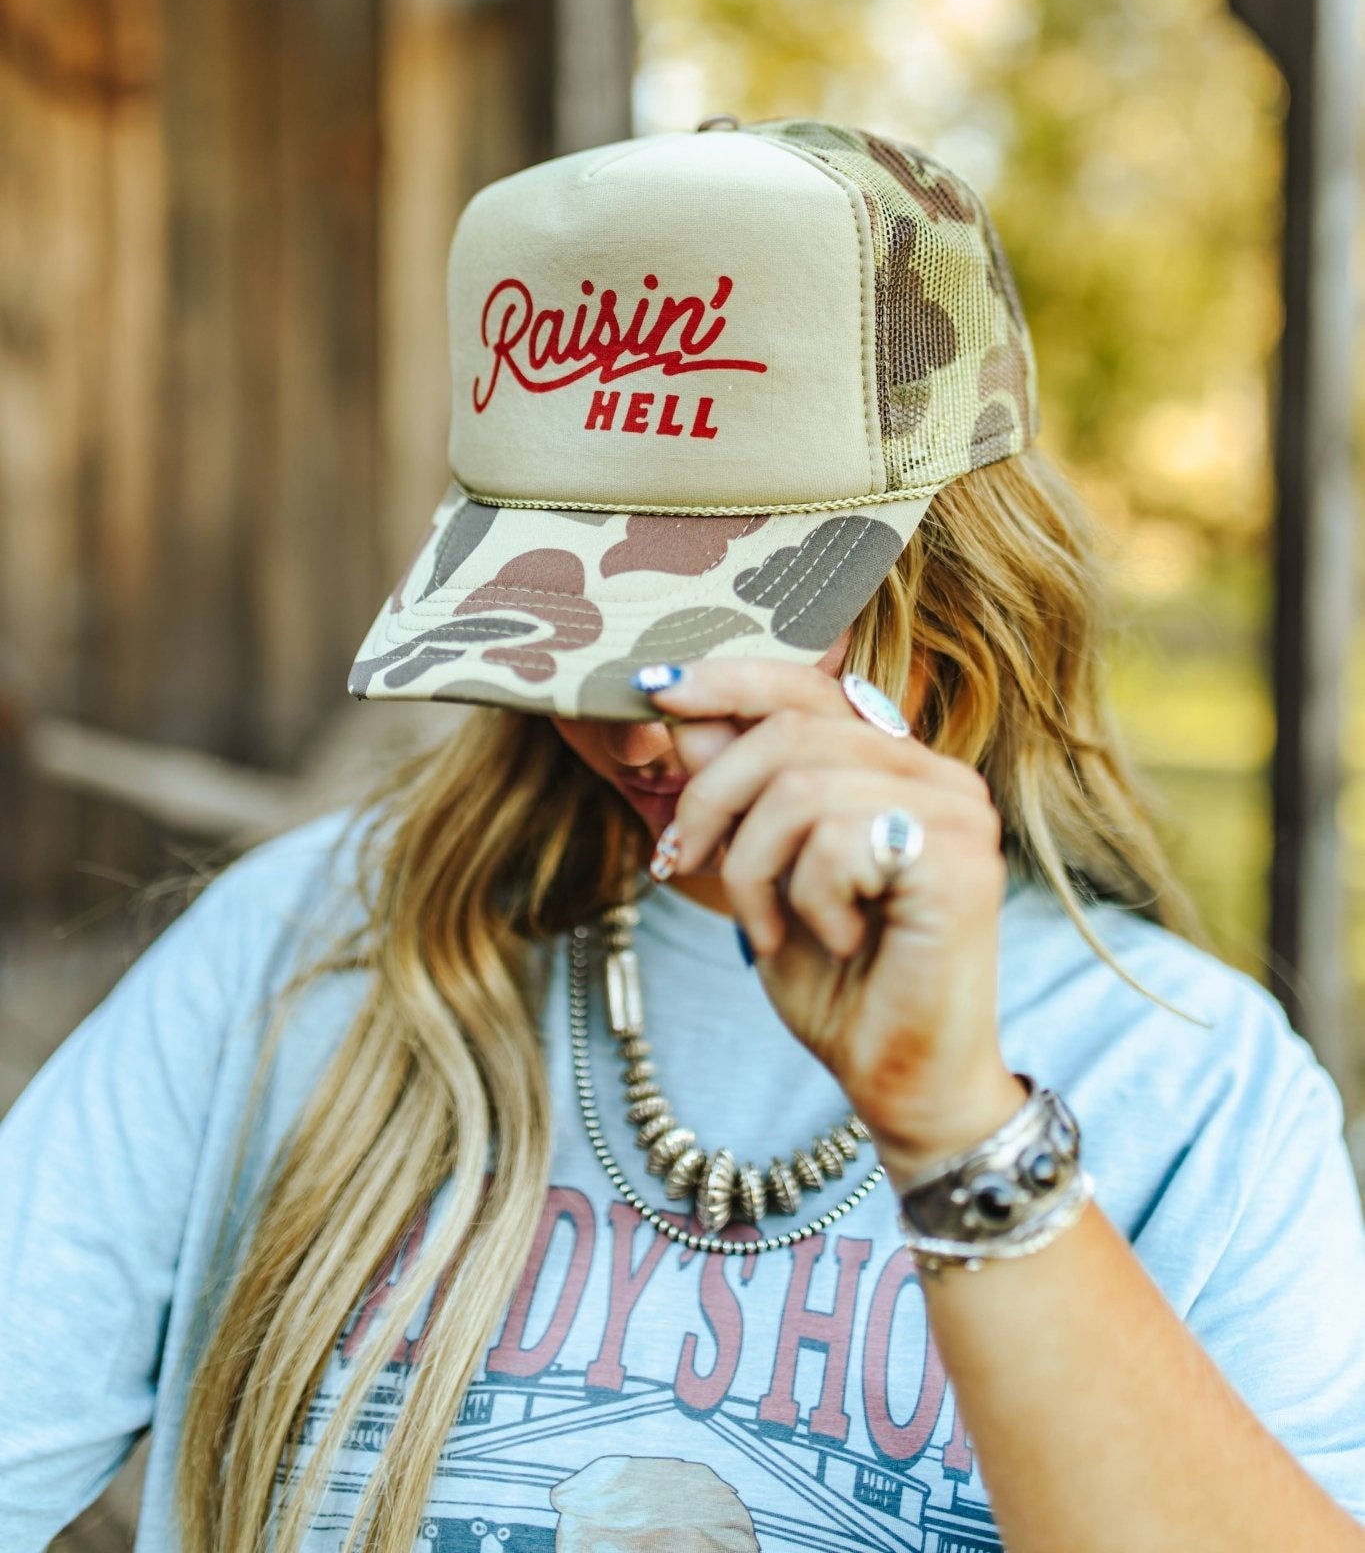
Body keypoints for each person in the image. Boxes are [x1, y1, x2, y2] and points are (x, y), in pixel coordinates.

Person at [1, 118, 1363, 1553]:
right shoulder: (298, 953)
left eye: (734, 627)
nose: (639, 733)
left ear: (957, 591)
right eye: (565, 633)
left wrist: (959, 1126)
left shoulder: (1187, 1085)